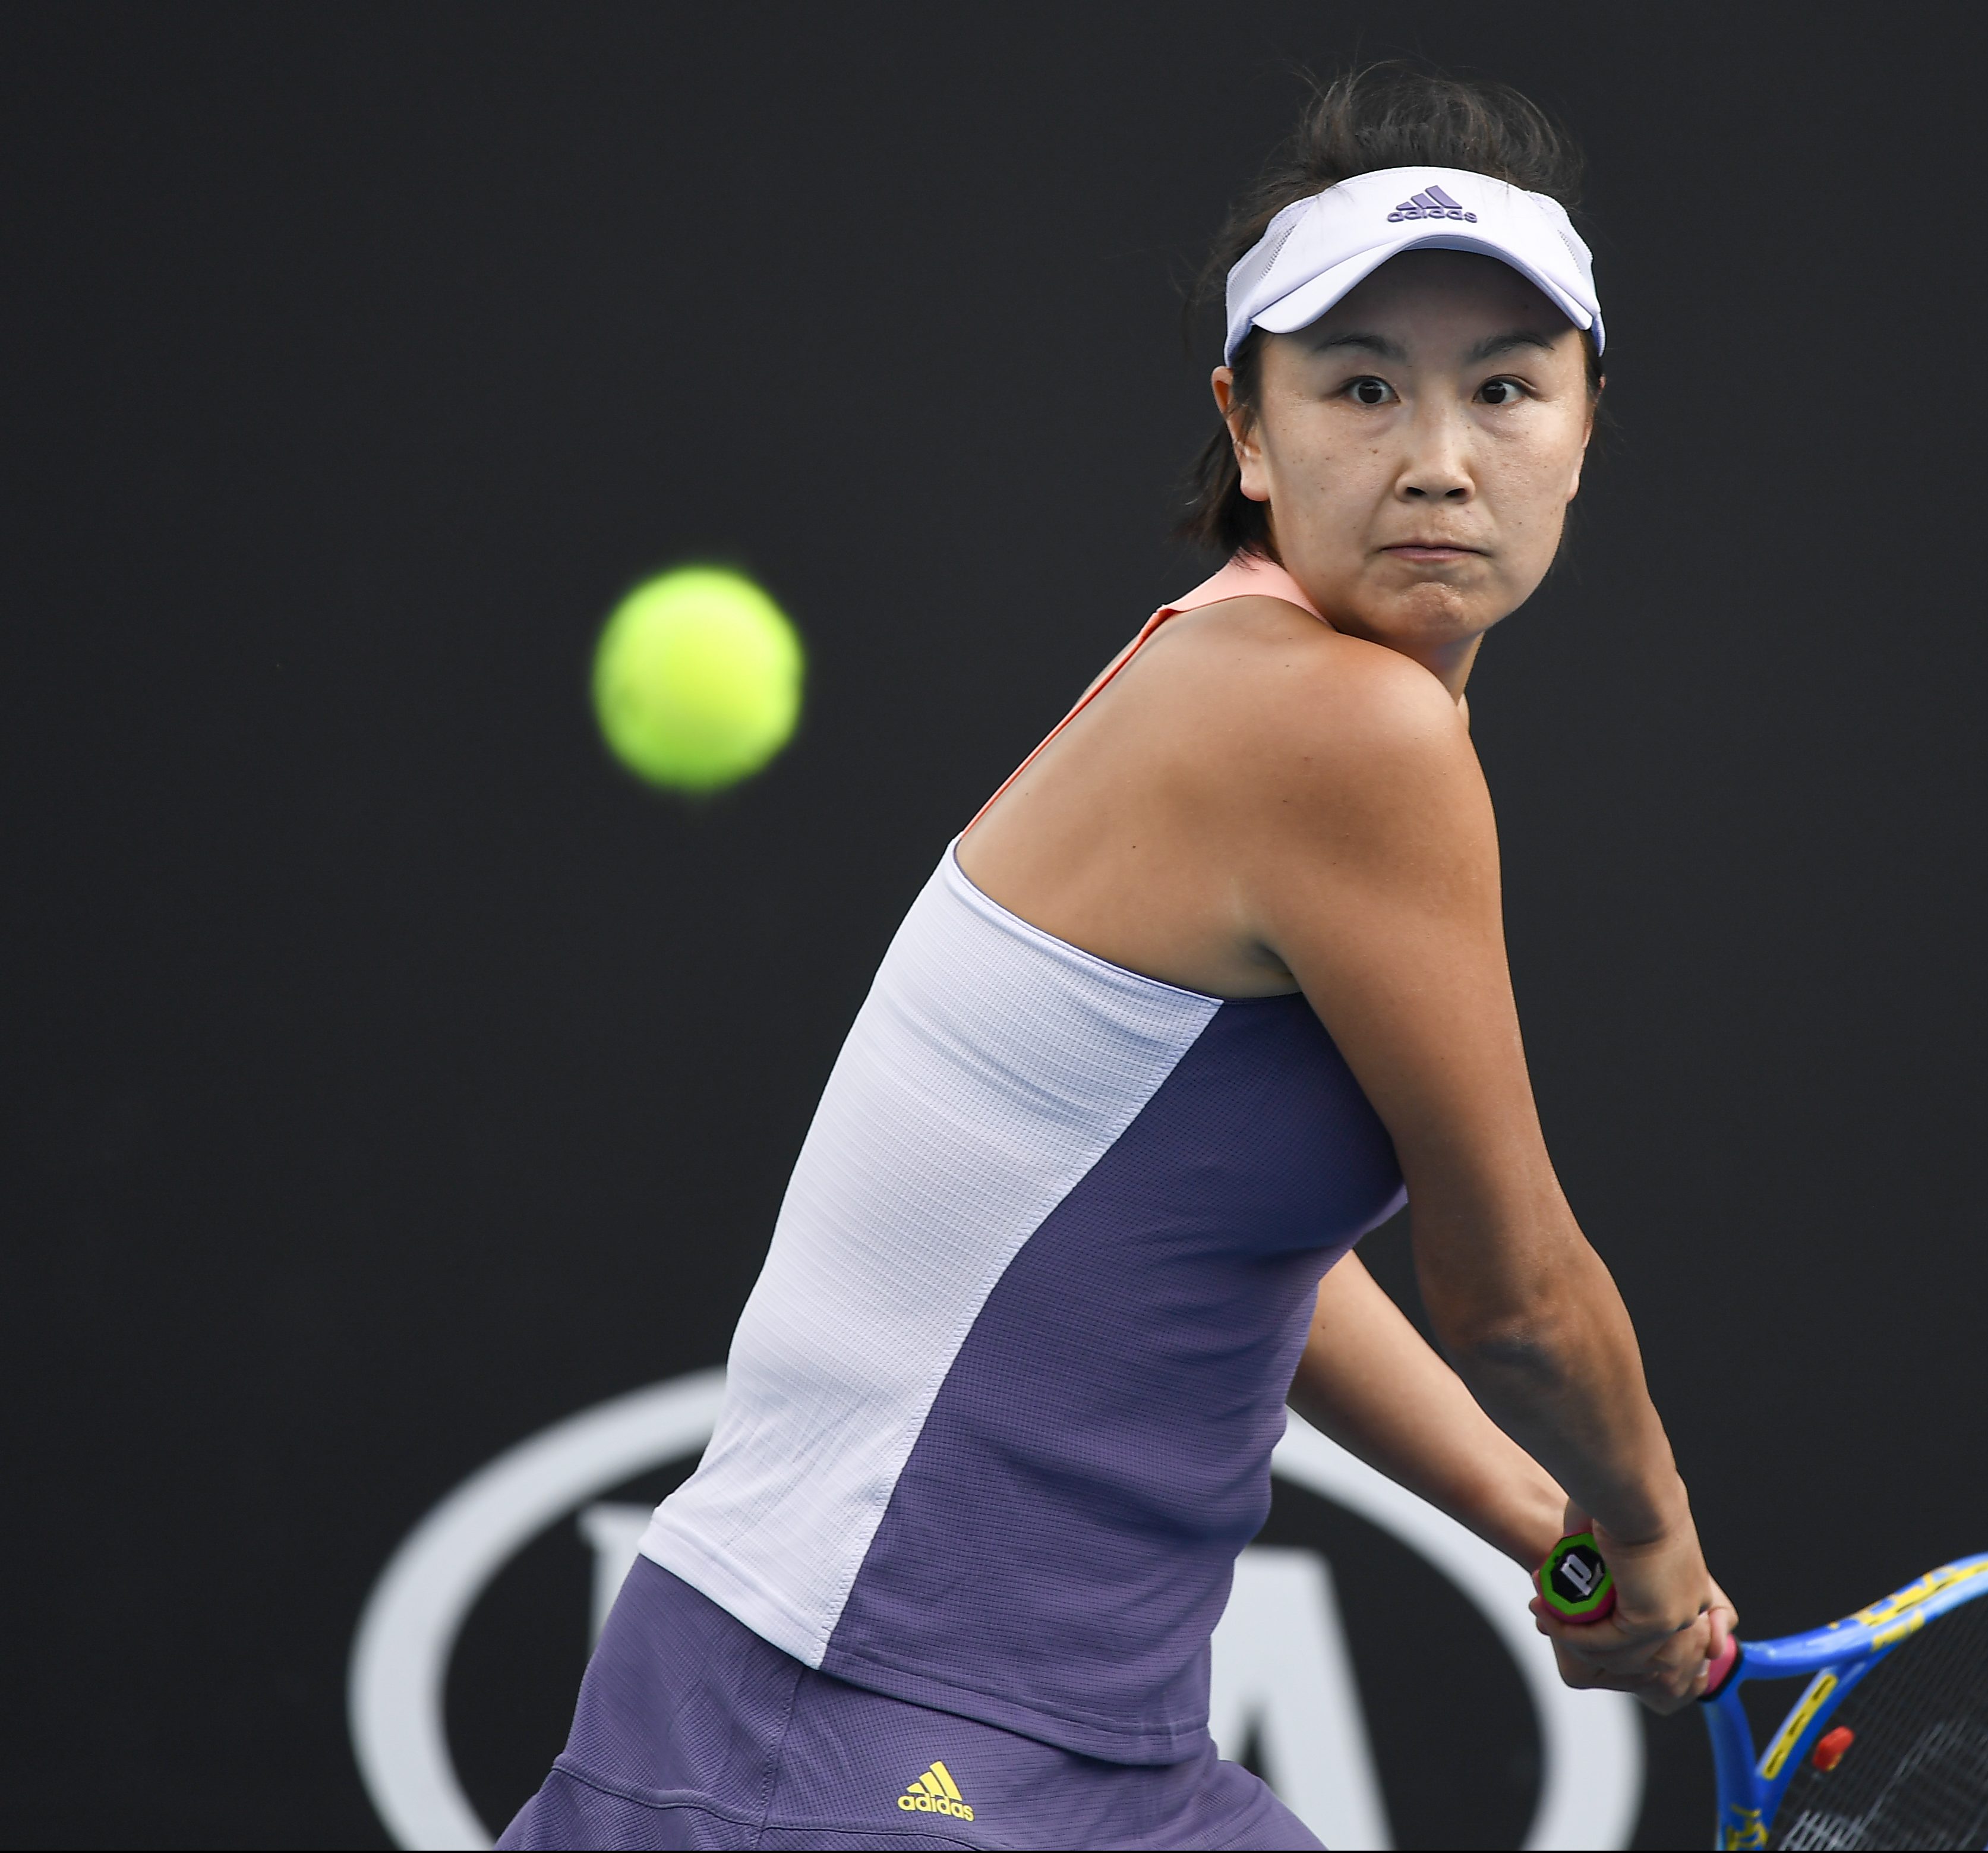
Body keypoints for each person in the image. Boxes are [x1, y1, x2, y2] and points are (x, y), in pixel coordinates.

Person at [500, 66, 1734, 1851]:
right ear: (1249, 429)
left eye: (1504, 390)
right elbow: (1515, 1298)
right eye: (1363, 386)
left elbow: (1246, 1258)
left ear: (1585, 428)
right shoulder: (1346, 732)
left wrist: (1557, 1526)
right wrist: (1656, 1535)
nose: (1438, 457)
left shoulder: (1238, 673)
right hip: (840, 1730)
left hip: (1095, 1759)